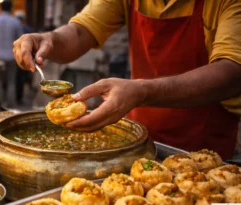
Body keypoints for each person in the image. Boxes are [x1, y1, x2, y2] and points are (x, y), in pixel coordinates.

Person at [13, 0, 241, 160]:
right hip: (139, 134)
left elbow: (232, 72)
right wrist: (47, 39)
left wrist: (141, 91)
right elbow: (81, 32)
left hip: (205, 143)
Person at [0, 0, 23, 107]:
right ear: (11, 8)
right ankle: (11, 104)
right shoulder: (16, 21)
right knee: (11, 81)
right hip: (12, 55)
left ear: (0, 8)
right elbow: (21, 39)